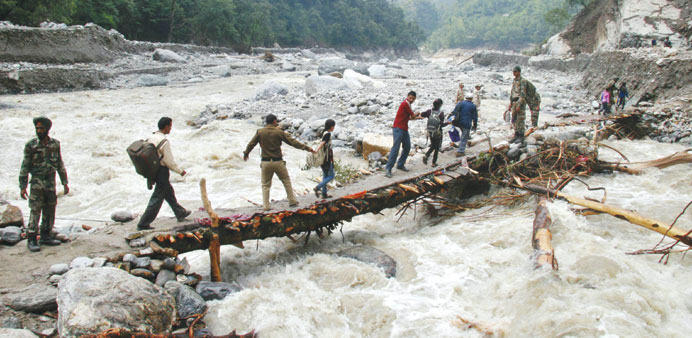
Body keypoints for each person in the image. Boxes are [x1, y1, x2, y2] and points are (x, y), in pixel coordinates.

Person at [244, 114, 315, 211]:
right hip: (278, 162)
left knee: (265, 185)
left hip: (265, 162)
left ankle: (266, 206)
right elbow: (293, 142)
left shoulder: (260, 132)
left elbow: (251, 144)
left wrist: (246, 153)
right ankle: (292, 201)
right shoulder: (279, 132)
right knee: (286, 180)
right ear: (274, 121)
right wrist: (307, 148)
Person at [19, 117, 68, 252]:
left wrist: (65, 182)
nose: (39, 131)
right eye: (37, 128)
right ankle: (32, 238)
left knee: (50, 208)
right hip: (37, 182)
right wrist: (22, 186)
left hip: (50, 181)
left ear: (47, 129)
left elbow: (59, 164)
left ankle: (46, 235)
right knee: (35, 209)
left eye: (41, 128)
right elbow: (25, 166)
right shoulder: (31, 145)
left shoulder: (55, 144)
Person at [137, 117, 190, 230]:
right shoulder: (164, 142)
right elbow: (168, 161)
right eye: (170, 126)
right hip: (162, 171)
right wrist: (180, 171)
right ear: (166, 126)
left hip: (153, 170)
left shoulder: (151, 138)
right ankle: (143, 223)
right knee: (157, 198)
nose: (171, 128)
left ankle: (180, 212)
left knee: (168, 192)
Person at [385, 91, 421, 178]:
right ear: (407, 97)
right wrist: (417, 113)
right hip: (398, 128)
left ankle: (400, 164)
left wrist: (417, 117)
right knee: (396, 148)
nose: (411, 99)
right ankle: (388, 168)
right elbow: (412, 116)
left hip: (403, 128)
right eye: (410, 98)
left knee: (407, 146)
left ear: (415, 99)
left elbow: (408, 118)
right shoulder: (405, 103)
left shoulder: (407, 104)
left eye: (413, 98)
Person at [422, 99, 448, 166]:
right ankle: (433, 162)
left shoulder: (429, 111)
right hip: (437, 132)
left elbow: (422, 114)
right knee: (436, 147)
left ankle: (427, 155)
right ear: (440, 105)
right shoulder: (441, 113)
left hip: (430, 131)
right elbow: (441, 125)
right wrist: (448, 123)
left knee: (433, 145)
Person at [314, 119, 335, 199]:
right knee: (331, 176)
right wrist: (317, 150)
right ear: (331, 126)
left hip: (323, 158)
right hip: (327, 158)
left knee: (325, 175)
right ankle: (318, 187)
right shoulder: (328, 134)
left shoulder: (324, 132)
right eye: (333, 126)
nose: (334, 128)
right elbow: (323, 143)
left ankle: (324, 193)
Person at [507, 65, 530, 144]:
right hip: (514, 101)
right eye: (513, 71)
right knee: (514, 119)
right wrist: (510, 104)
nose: (514, 73)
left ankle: (521, 136)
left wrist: (519, 104)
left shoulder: (523, 81)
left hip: (520, 102)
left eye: (515, 71)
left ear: (519, 72)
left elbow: (523, 94)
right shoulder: (514, 80)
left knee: (520, 119)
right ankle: (516, 134)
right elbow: (512, 92)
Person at [452, 92, 478, 157]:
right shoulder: (473, 106)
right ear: (471, 98)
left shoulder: (460, 103)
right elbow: (475, 117)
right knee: (464, 136)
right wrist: (475, 125)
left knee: (463, 135)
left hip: (459, 122)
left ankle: (460, 146)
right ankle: (460, 151)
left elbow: (454, 111)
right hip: (467, 123)